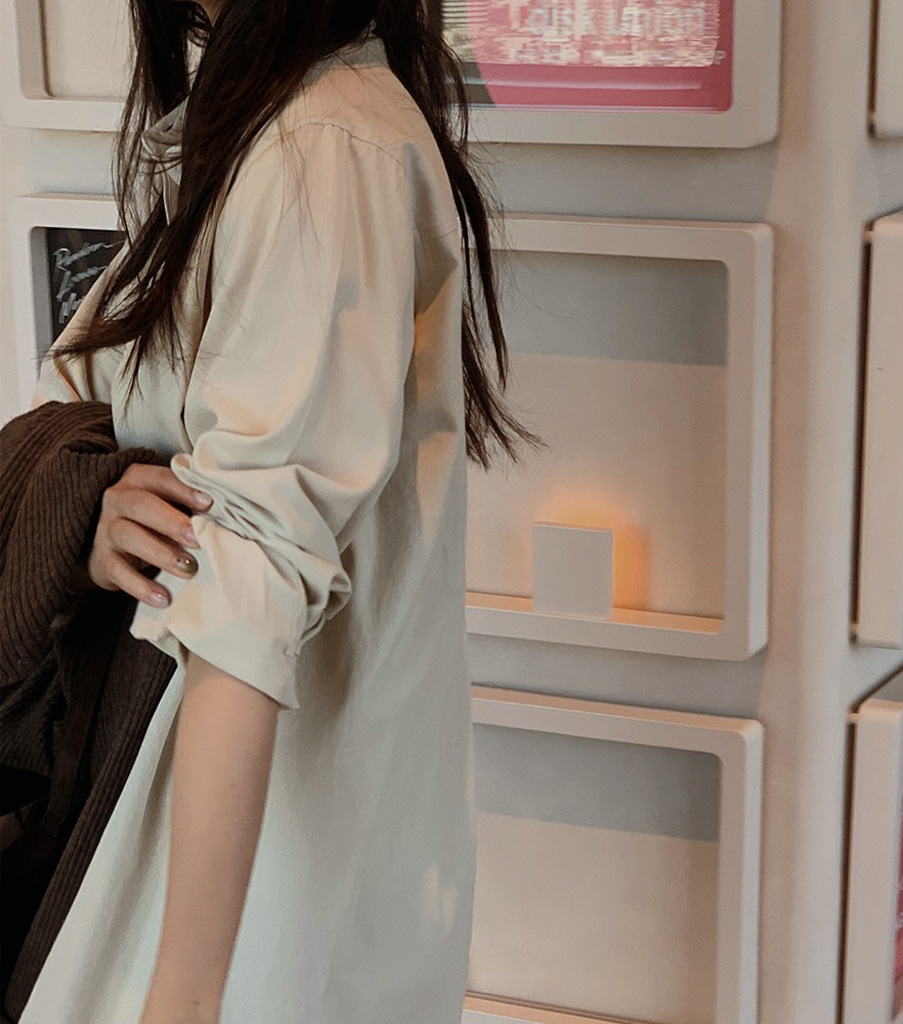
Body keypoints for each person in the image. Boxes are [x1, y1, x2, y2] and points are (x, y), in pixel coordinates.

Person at [20, 1, 543, 1022]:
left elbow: (248, 578)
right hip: (209, 821)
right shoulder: (268, 126)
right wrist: (91, 513)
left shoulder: (322, 146)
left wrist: (184, 996)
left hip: (243, 863)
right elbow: (90, 419)